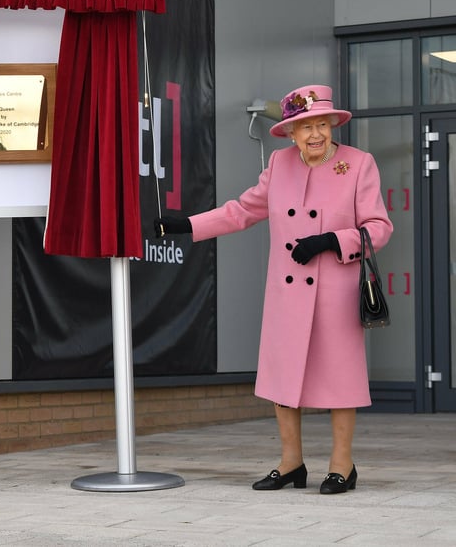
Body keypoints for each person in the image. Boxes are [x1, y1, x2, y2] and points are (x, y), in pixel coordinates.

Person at [155, 85, 392, 495]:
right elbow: (243, 210)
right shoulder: (280, 165)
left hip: (335, 291)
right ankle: (290, 463)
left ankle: (342, 465)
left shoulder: (358, 164)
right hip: (287, 294)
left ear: (333, 125)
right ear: (290, 133)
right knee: (283, 379)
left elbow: (379, 227)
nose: (315, 134)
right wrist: (188, 225)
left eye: (322, 124)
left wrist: (331, 241)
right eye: (305, 127)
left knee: (340, 379)